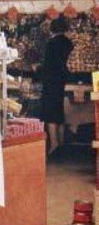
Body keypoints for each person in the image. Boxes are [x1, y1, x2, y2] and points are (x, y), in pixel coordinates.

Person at [40, 17, 74, 155]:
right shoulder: (68, 43)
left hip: (51, 81)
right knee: (59, 111)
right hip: (63, 80)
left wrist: (38, 70)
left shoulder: (51, 43)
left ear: (52, 29)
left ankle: (54, 144)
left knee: (50, 113)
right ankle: (61, 142)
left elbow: (49, 64)